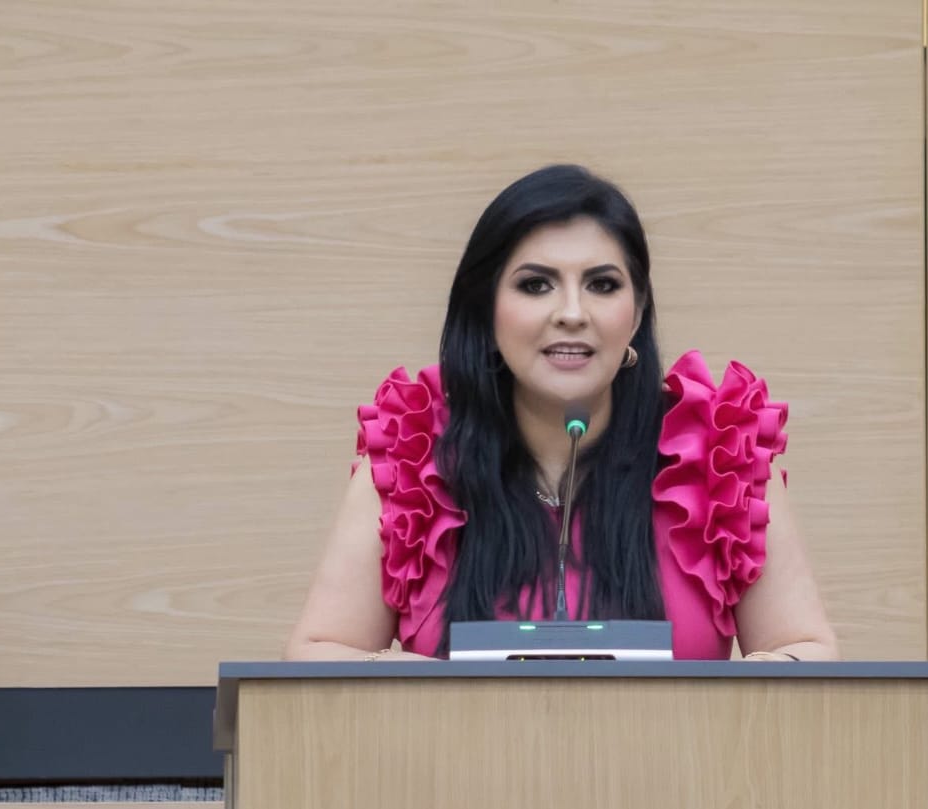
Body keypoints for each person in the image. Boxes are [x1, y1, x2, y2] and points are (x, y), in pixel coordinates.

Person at [285, 164, 838, 662]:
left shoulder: (717, 460)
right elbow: (316, 654)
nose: (572, 313)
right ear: (487, 310)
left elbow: (807, 650)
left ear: (636, 314)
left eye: (602, 285)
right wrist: (406, 680)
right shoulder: (415, 463)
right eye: (536, 285)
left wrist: (753, 686)